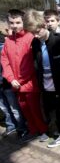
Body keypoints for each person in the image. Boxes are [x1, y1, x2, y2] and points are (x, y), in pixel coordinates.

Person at [23, 9, 60, 152]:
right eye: (32, 32)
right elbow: (36, 64)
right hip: (46, 85)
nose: (35, 35)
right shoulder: (35, 43)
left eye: (37, 31)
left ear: (44, 25)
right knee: (54, 111)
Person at [1, 9, 49, 143]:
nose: (14, 25)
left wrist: (20, 80)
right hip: (16, 83)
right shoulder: (9, 40)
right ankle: (33, 130)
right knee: (24, 109)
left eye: (18, 22)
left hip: (30, 83)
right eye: (11, 23)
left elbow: (33, 63)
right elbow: (4, 60)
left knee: (35, 109)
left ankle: (43, 130)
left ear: (24, 22)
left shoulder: (31, 37)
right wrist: (11, 79)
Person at [0, 21, 27, 138]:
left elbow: (8, 64)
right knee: (4, 108)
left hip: (6, 83)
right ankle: (11, 126)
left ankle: (22, 127)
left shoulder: (3, 46)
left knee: (14, 108)